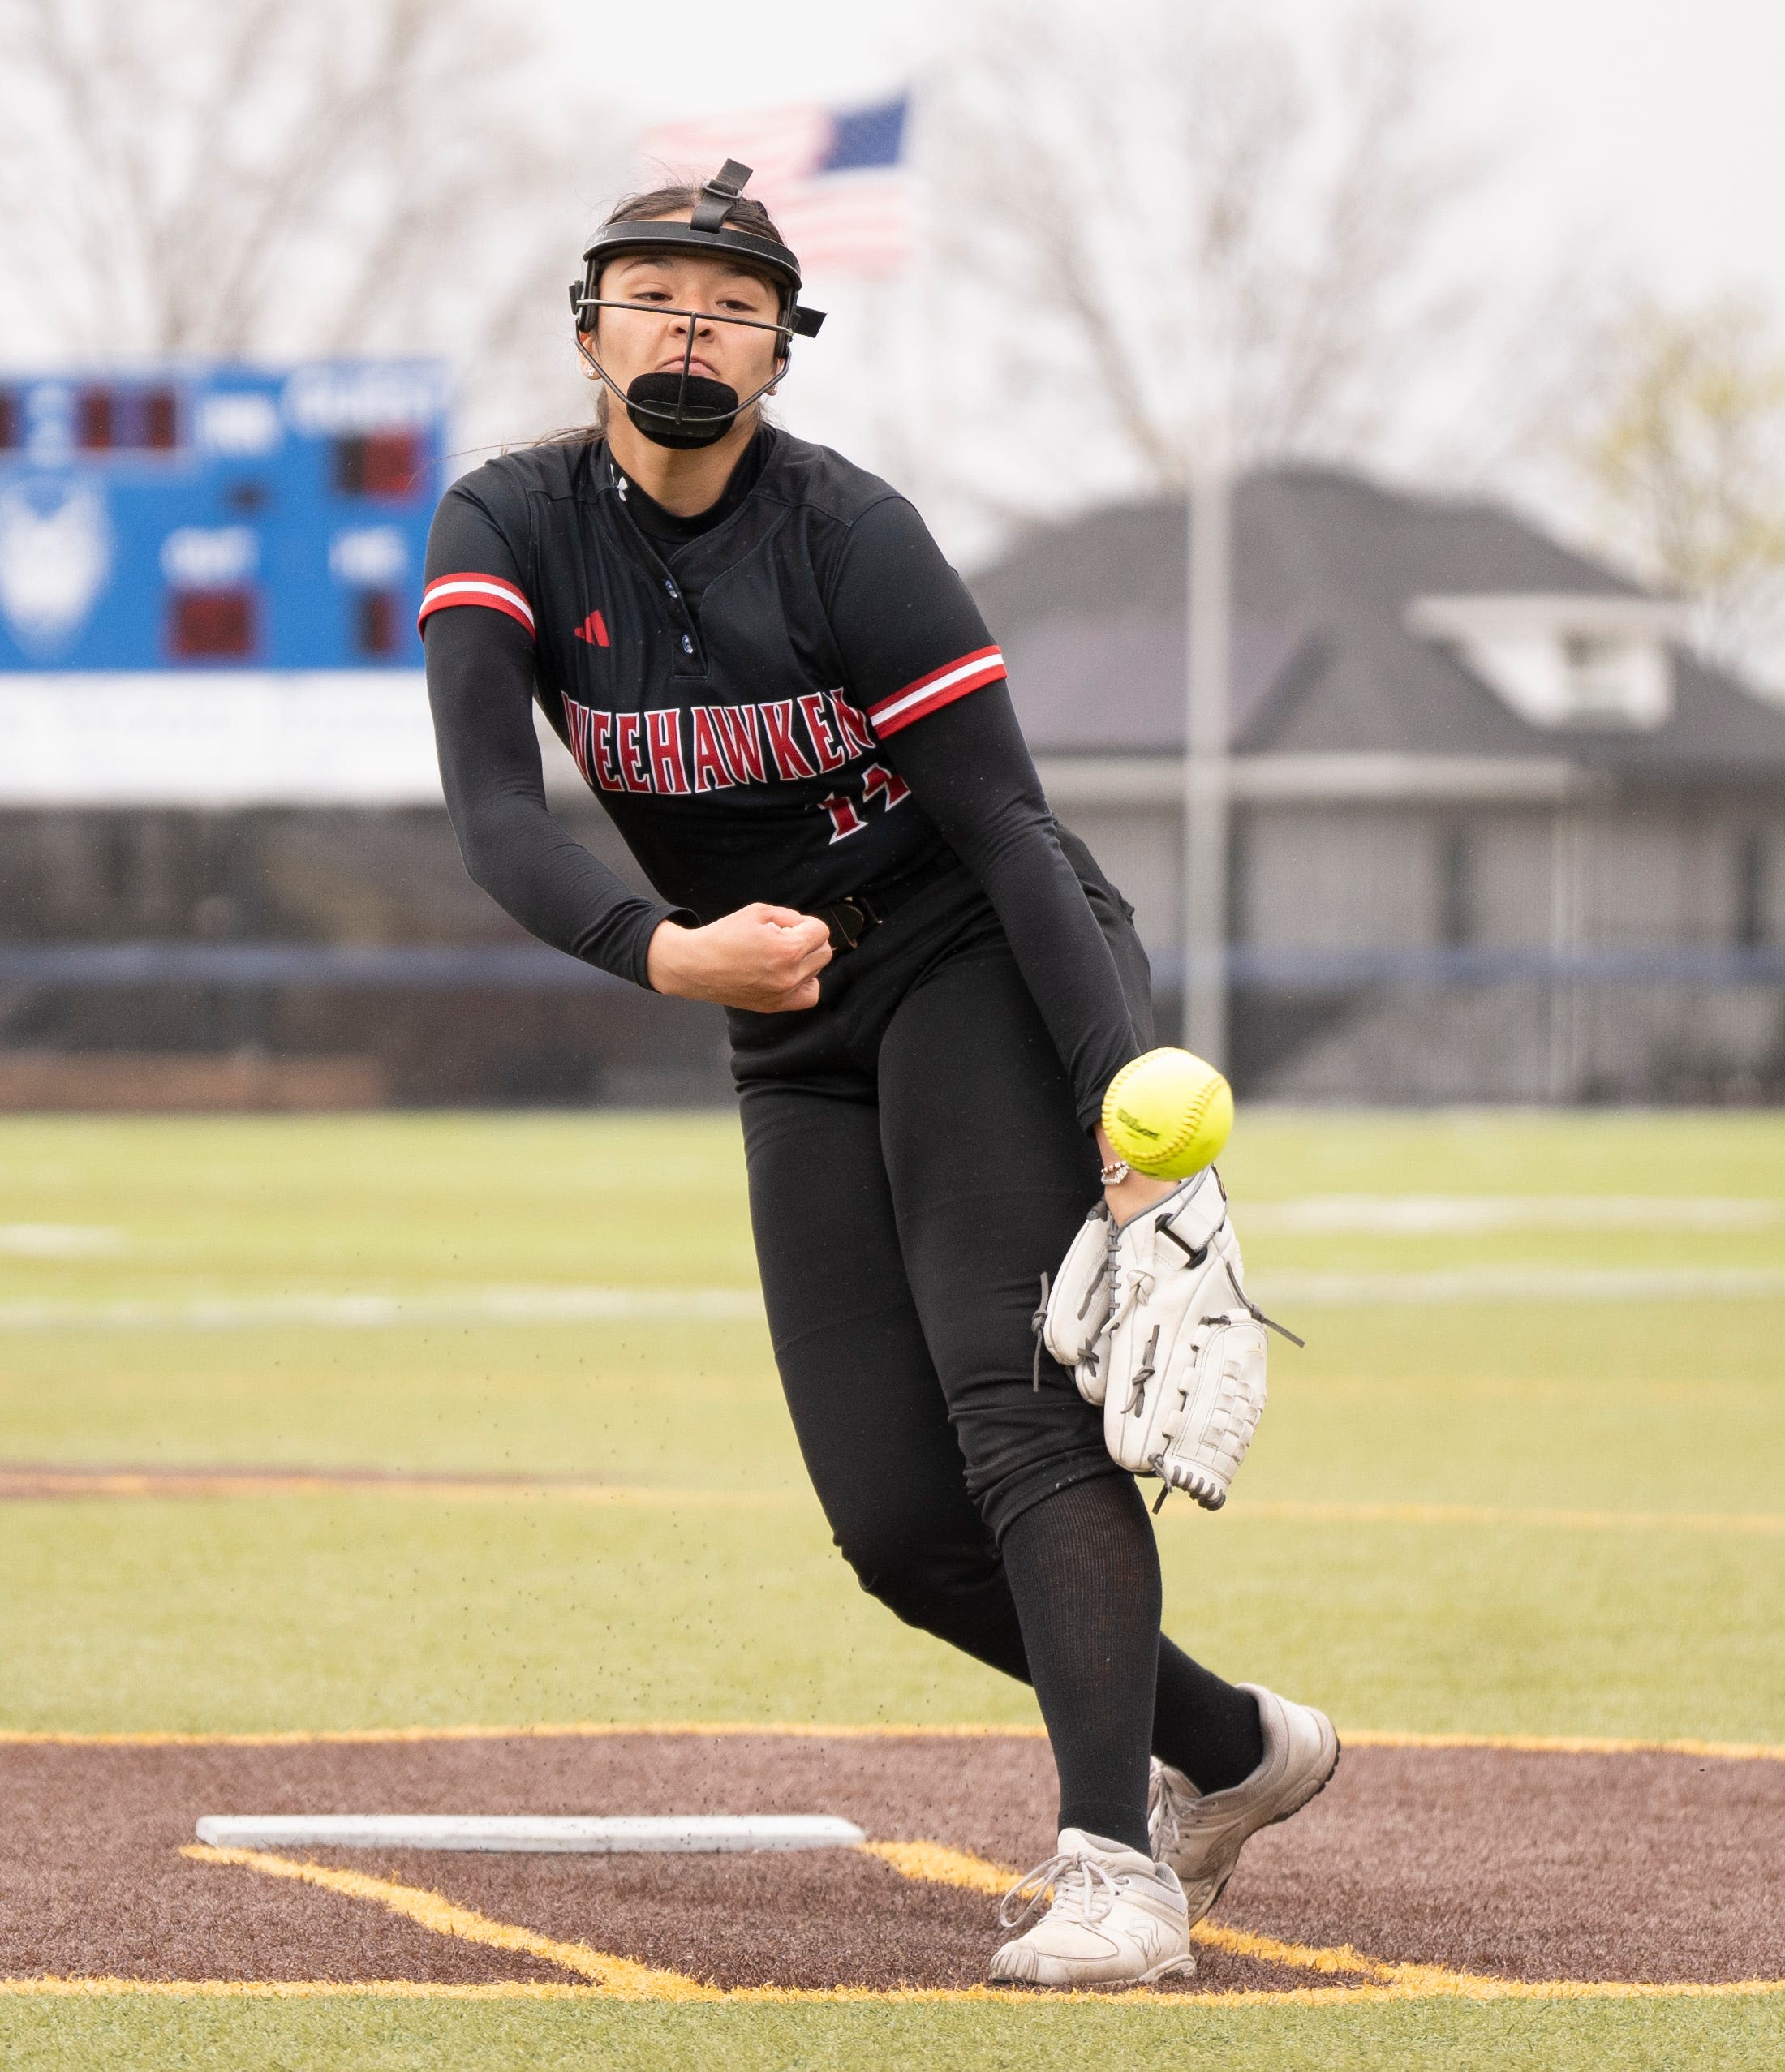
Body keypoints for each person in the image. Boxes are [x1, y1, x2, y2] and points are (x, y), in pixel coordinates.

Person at [419, 163, 1339, 1987]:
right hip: (781, 1015)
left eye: (732, 302)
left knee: (1016, 1408)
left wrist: (1120, 1101)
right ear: (586, 325)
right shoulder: (507, 519)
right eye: (653, 293)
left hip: (970, 956)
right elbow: (494, 824)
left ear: (781, 350)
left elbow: (1004, 823)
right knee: (897, 1527)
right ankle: (1235, 1751)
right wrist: (662, 951)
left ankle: (1114, 1868)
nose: (689, 325)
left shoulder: (848, 534)